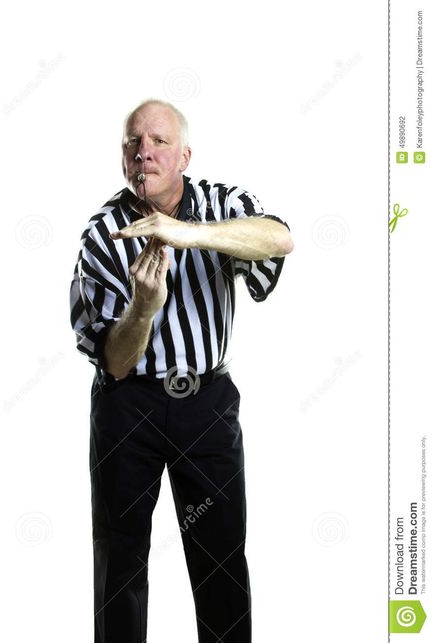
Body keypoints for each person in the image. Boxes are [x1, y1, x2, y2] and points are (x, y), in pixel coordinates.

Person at [69, 98, 294, 643]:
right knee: (118, 561)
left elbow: (278, 237)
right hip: (129, 406)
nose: (143, 153)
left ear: (185, 154)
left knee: (220, 558)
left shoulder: (223, 203)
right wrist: (144, 307)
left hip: (208, 404)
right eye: (132, 144)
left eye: (158, 141)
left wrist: (187, 233)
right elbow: (115, 359)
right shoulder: (103, 234)